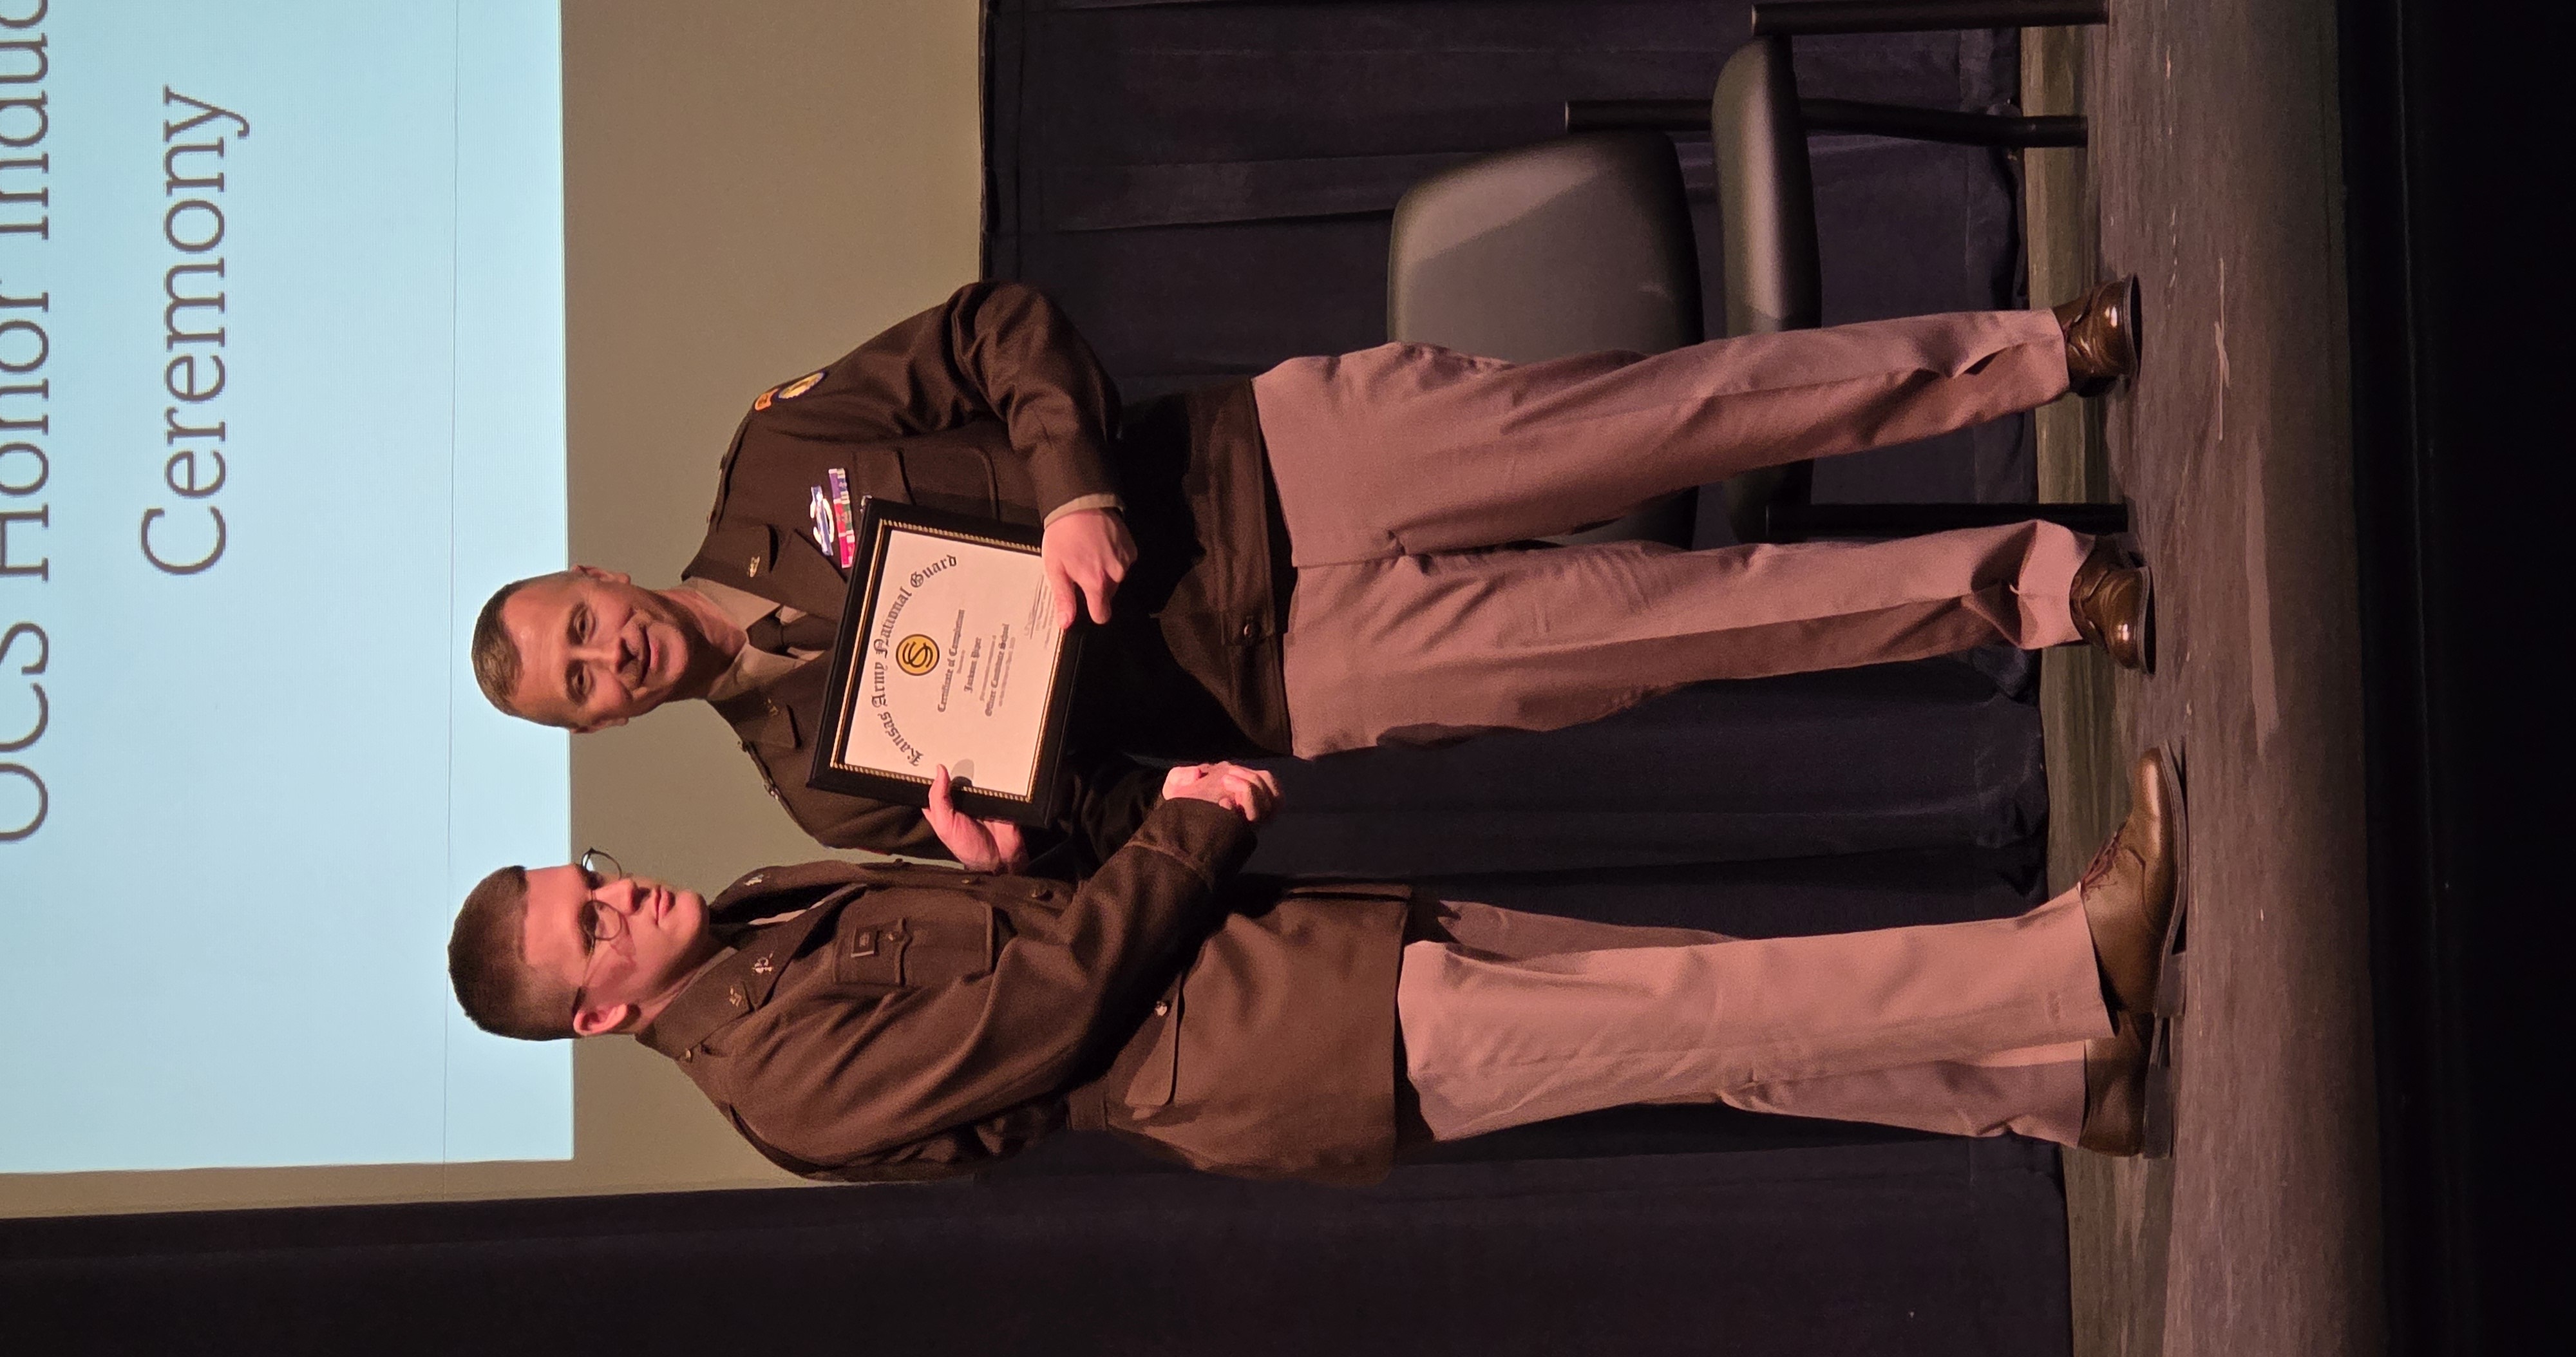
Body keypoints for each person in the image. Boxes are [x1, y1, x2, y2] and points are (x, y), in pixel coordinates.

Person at [469, 279, 2152, 871]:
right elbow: (1106, 811)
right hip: (1285, 673)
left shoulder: (773, 461)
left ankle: (2027, 356)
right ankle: (2052, 588)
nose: (607, 654)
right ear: (597, 729)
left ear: (596, 572)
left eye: (577, 624)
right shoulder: (815, 793)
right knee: (1696, 630)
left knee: (1678, 415)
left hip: (1267, 460)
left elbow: (1001, 328)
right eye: (581, 685)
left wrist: (1065, 492)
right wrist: (1015, 842)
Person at [445, 748, 2187, 1184]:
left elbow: (1024, 946)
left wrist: (1009, 856)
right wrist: (1183, 834)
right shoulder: (765, 1074)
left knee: (1703, 1008)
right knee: (1712, 1011)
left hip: (1297, 954)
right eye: (588, 923)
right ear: (597, 1012)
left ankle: (2058, 1085)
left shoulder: (751, 909)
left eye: (587, 873)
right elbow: (1052, 1014)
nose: (620, 892)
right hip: (1290, 1040)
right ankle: (2065, 968)